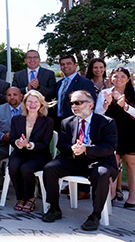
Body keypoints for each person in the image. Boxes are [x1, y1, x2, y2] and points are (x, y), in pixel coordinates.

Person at [42, 90, 118, 231]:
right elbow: (61, 144)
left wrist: (86, 149)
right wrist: (72, 148)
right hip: (73, 160)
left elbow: (109, 147)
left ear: (91, 105)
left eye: (78, 102)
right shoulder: (67, 122)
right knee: (50, 168)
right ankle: (54, 208)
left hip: (98, 161)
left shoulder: (106, 122)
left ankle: (95, 215)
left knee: (101, 174)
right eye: (72, 103)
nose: (74, 106)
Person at [97, 67, 135, 208]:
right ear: (111, 78)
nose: (118, 79)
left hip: (132, 133)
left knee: (131, 164)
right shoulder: (104, 93)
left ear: (128, 78)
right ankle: (111, 194)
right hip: (111, 133)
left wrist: (124, 105)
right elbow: (98, 113)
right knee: (113, 164)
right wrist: (106, 103)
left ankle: (132, 196)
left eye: (122, 76)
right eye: (115, 76)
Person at [7, 90, 55, 212]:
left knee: (26, 168)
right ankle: (21, 197)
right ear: (25, 103)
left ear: (41, 104)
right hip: (20, 153)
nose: (32, 104)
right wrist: (18, 143)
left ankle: (30, 198)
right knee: (13, 165)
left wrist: (29, 144)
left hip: (39, 155)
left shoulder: (47, 121)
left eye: (35, 102)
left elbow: (45, 144)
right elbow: (12, 138)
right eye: (30, 102)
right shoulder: (17, 119)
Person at [0, 87, 24, 190]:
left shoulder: (28, 109)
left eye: (15, 94)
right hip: (3, 145)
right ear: (6, 97)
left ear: (21, 96)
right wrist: (2, 136)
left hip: (23, 147)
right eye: (9, 95)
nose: (12, 97)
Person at [55, 55, 98, 121]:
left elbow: (91, 103)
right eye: (62, 64)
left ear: (75, 65)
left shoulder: (85, 82)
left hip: (76, 120)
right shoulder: (59, 83)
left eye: (69, 63)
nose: (65, 66)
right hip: (58, 120)